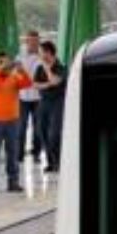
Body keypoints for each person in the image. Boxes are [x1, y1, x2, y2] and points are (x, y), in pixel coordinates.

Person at [0, 52, 33, 193]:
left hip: (12, 122)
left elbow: (28, 83)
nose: (4, 65)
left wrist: (22, 70)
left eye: (6, 62)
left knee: (13, 153)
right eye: (0, 62)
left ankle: (13, 182)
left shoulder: (15, 77)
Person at [34, 41, 67, 172]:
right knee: (41, 131)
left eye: (41, 52)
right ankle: (51, 163)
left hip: (57, 102)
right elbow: (35, 84)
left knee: (54, 134)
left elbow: (55, 81)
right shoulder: (39, 68)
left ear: (48, 53)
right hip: (43, 102)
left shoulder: (61, 67)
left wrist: (47, 69)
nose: (40, 55)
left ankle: (58, 161)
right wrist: (47, 84)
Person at [17, 30, 43, 163]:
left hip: (38, 97)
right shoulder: (20, 56)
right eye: (31, 41)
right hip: (23, 97)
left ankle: (36, 153)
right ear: (26, 42)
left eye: (36, 41)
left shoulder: (43, 56)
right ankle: (19, 155)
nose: (33, 44)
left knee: (38, 128)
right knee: (21, 127)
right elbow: (16, 74)